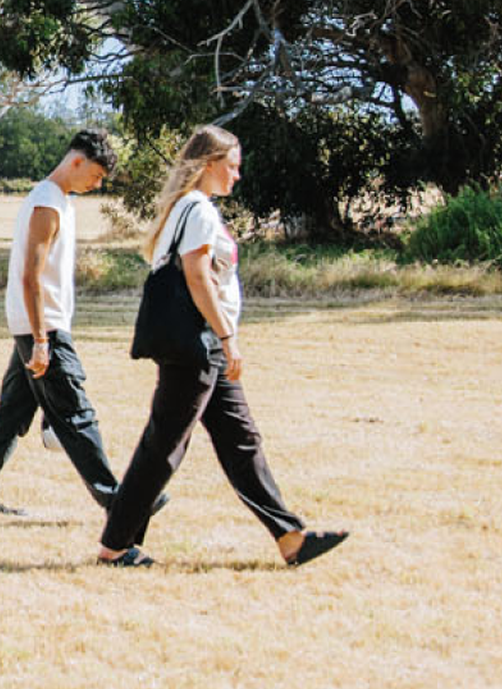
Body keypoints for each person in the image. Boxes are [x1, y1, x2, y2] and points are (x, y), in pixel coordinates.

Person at [97, 125, 348, 569]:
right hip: (199, 343)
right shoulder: (197, 209)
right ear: (209, 164)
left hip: (201, 343)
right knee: (163, 446)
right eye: (231, 166)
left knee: (240, 441)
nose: (236, 175)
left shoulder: (188, 208)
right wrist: (226, 336)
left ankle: (290, 537)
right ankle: (115, 545)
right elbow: (197, 275)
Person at [0, 127, 137, 517]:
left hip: (36, 324)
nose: (97, 183)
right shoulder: (47, 204)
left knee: (12, 413)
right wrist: (41, 339)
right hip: (44, 327)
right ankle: (119, 502)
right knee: (75, 414)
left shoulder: (57, 200)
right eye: (96, 175)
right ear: (77, 161)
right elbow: (30, 276)